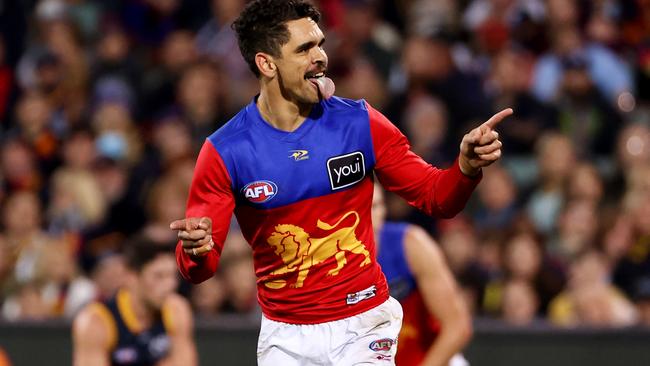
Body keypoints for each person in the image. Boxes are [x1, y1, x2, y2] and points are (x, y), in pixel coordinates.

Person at [170, 1, 511, 364]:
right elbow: (199, 270)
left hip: (364, 322)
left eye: (320, 44)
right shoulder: (226, 151)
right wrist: (196, 250)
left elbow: (437, 198)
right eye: (304, 49)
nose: (320, 57)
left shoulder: (361, 123)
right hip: (285, 335)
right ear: (267, 64)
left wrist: (466, 167)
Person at [373, 183, 472, 366]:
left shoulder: (411, 244)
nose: (373, 215)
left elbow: (457, 326)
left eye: (376, 206)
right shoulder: (330, 259)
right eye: (365, 207)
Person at [72, 239, 197, 366]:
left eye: (173, 276)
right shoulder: (95, 321)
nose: (170, 285)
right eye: (159, 276)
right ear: (131, 276)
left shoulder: (176, 309)